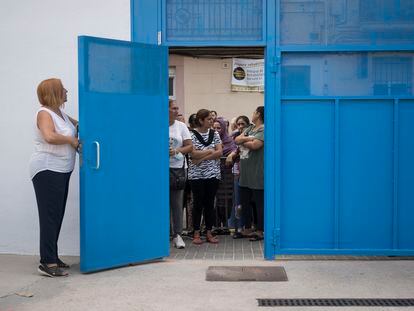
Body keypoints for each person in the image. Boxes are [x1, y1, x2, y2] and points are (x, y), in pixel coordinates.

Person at [30, 78, 79, 277]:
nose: (66, 91)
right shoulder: (44, 113)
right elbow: (49, 136)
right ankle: (47, 262)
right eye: (63, 89)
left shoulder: (61, 114)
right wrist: (71, 140)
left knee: (56, 215)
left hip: (62, 170)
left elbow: (81, 123)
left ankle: (53, 256)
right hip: (47, 170)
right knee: (50, 216)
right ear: (54, 92)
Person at [188, 109, 222, 244]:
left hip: (213, 174)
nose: (211, 121)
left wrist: (201, 158)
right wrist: (209, 151)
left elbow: (219, 152)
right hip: (196, 176)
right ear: (201, 120)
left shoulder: (215, 134)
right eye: (208, 119)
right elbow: (192, 154)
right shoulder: (191, 135)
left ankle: (209, 232)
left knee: (209, 204)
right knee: (197, 203)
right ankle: (196, 233)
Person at [235, 107, 264, 241]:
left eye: (254, 112)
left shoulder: (264, 129)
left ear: (258, 114)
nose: (252, 114)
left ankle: (259, 230)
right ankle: (247, 228)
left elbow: (255, 145)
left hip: (257, 173)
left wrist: (244, 140)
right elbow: (236, 139)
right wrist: (249, 138)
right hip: (245, 174)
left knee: (259, 203)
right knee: (244, 202)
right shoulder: (250, 129)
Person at [169, 100, 193, 249]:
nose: (177, 110)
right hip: (157, 169)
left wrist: (177, 151)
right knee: (159, 203)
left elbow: (190, 146)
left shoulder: (181, 126)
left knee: (177, 204)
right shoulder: (155, 123)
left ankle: (177, 235)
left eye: (178, 107)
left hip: (177, 169)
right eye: (173, 108)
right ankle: (162, 234)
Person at [226, 115, 250, 238]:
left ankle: (249, 227)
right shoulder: (234, 136)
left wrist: (234, 153)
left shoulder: (250, 135)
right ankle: (238, 228)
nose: (240, 126)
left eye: (243, 124)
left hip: (249, 173)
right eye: (238, 124)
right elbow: (233, 149)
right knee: (238, 202)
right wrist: (232, 154)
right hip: (237, 173)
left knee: (248, 202)